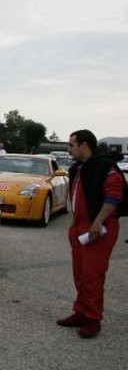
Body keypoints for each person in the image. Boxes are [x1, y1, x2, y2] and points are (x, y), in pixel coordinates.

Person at [57, 129, 124, 338]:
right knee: (80, 273)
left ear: (84, 145)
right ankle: (81, 311)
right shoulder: (78, 168)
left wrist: (98, 221)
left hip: (98, 228)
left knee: (92, 275)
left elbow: (114, 196)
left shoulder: (105, 166)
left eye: (71, 145)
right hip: (80, 227)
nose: (68, 149)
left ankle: (93, 319)